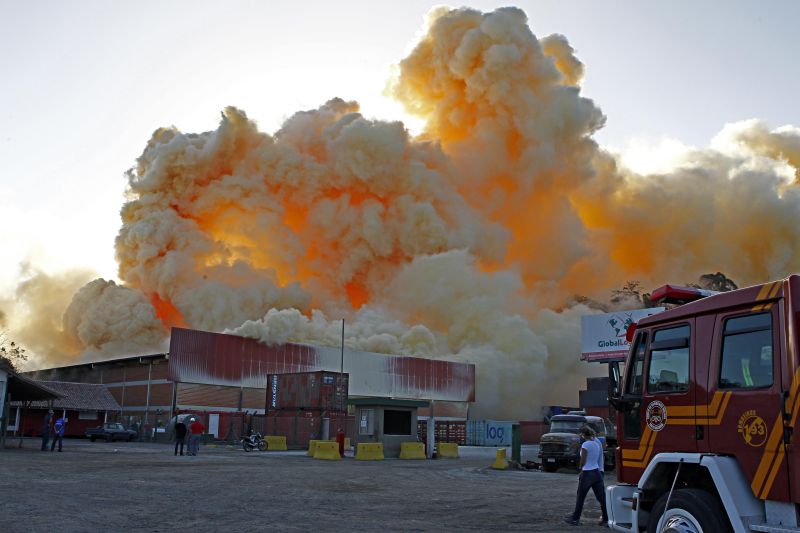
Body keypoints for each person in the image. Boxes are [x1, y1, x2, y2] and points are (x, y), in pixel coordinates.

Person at [564, 426, 608, 527]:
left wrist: (580, 468)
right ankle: (606, 518)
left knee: (581, 497)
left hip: (587, 473)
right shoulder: (597, 444)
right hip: (597, 473)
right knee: (601, 498)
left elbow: (583, 460)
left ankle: (575, 519)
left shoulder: (585, 444)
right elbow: (596, 458)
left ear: (583, 434)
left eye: (581, 434)